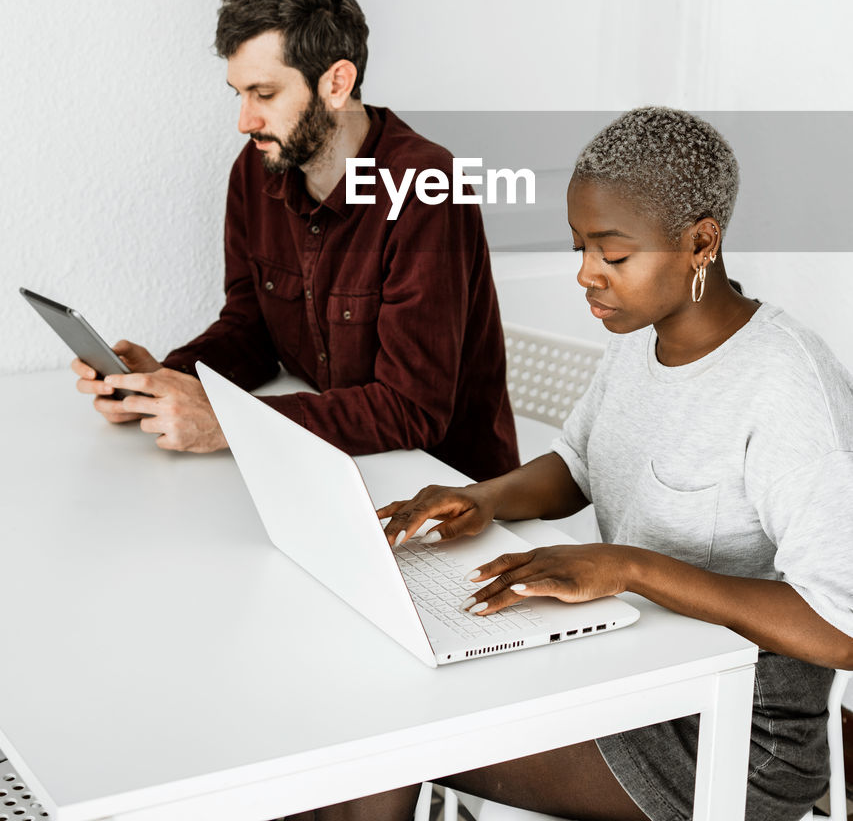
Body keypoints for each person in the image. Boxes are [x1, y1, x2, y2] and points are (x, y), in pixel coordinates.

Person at [307, 107, 853, 821]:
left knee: (380, 733)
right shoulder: (639, 332)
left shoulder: (786, 388)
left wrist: (630, 567)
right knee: (366, 689)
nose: (587, 276)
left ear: (699, 243)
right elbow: (579, 463)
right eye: (580, 249)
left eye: (613, 255)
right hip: (631, 665)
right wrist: (487, 498)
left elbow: (840, 629)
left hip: (735, 734)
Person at [72, 0, 518, 481]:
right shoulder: (257, 168)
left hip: (446, 491)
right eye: (239, 94)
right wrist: (170, 379)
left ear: (336, 83)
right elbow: (252, 328)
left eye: (264, 93)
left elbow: (411, 409)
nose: (245, 120)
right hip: (331, 468)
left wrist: (230, 421)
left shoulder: (425, 188)